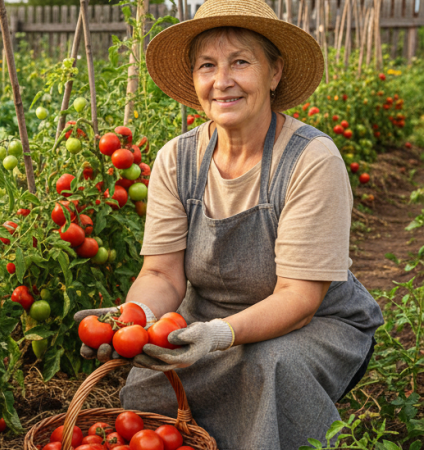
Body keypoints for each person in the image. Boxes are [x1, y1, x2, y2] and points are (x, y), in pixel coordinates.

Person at [74, 0, 383, 448]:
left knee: (269, 366)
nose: (222, 81)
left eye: (240, 62)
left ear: (274, 73)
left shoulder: (310, 160)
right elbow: (160, 272)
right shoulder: (177, 159)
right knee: (149, 387)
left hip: (315, 324)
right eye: (207, 65)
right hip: (206, 319)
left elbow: (299, 298)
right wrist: (133, 320)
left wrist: (218, 336)